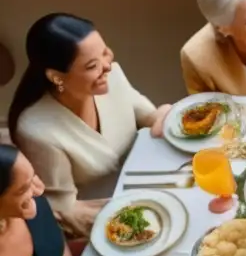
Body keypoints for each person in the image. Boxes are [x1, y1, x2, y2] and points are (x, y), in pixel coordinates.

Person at [8, 13, 171, 237]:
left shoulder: (112, 77)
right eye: (92, 65)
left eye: (106, 53)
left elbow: (150, 117)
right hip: (109, 220)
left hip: (153, 182)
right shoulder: (37, 130)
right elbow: (64, 210)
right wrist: (140, 214)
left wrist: (168, 117)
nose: (107, 66)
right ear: (57, 77)